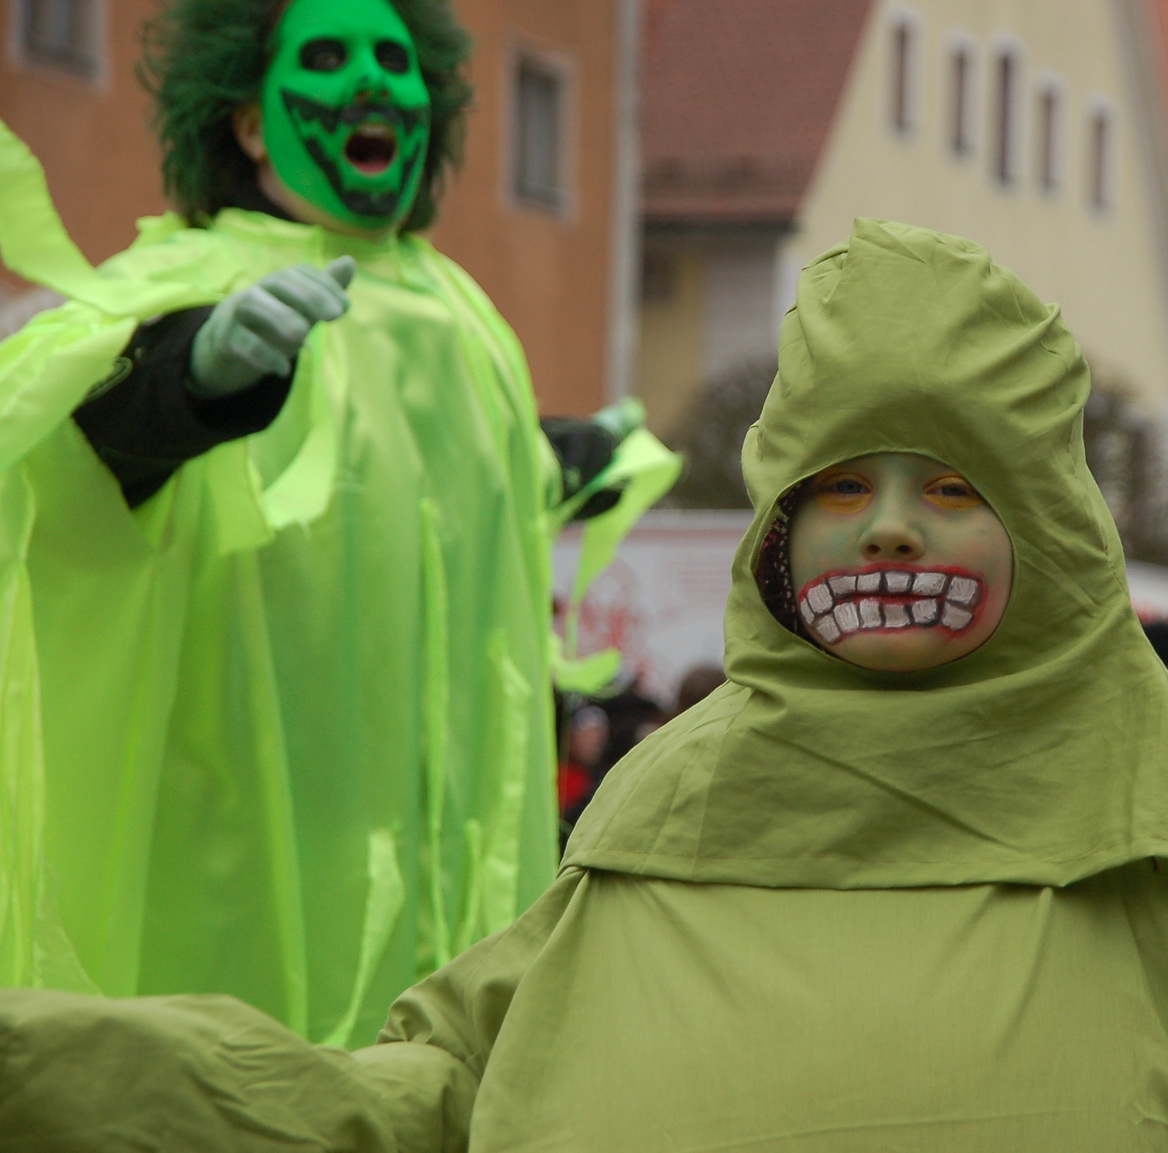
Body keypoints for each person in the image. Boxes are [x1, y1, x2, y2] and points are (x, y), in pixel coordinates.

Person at [0, 220, 1168, 1151]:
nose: (887, 528)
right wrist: (47, 1064)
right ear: (777, 533)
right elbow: (410, 1107)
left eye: (947, 486)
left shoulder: (1160, 859)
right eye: (842, 484)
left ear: (1052, 544)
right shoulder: (658, 826)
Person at [0, 0, 673, 1046]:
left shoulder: (468, 317)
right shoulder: (179, 282)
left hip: (443, 887)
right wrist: (196, 377)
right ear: (250, 121)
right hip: (230, 876)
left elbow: (457, 487)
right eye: (325, 56)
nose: (371, 83)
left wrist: (569, 456)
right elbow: (74, 454)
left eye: (393, 60)